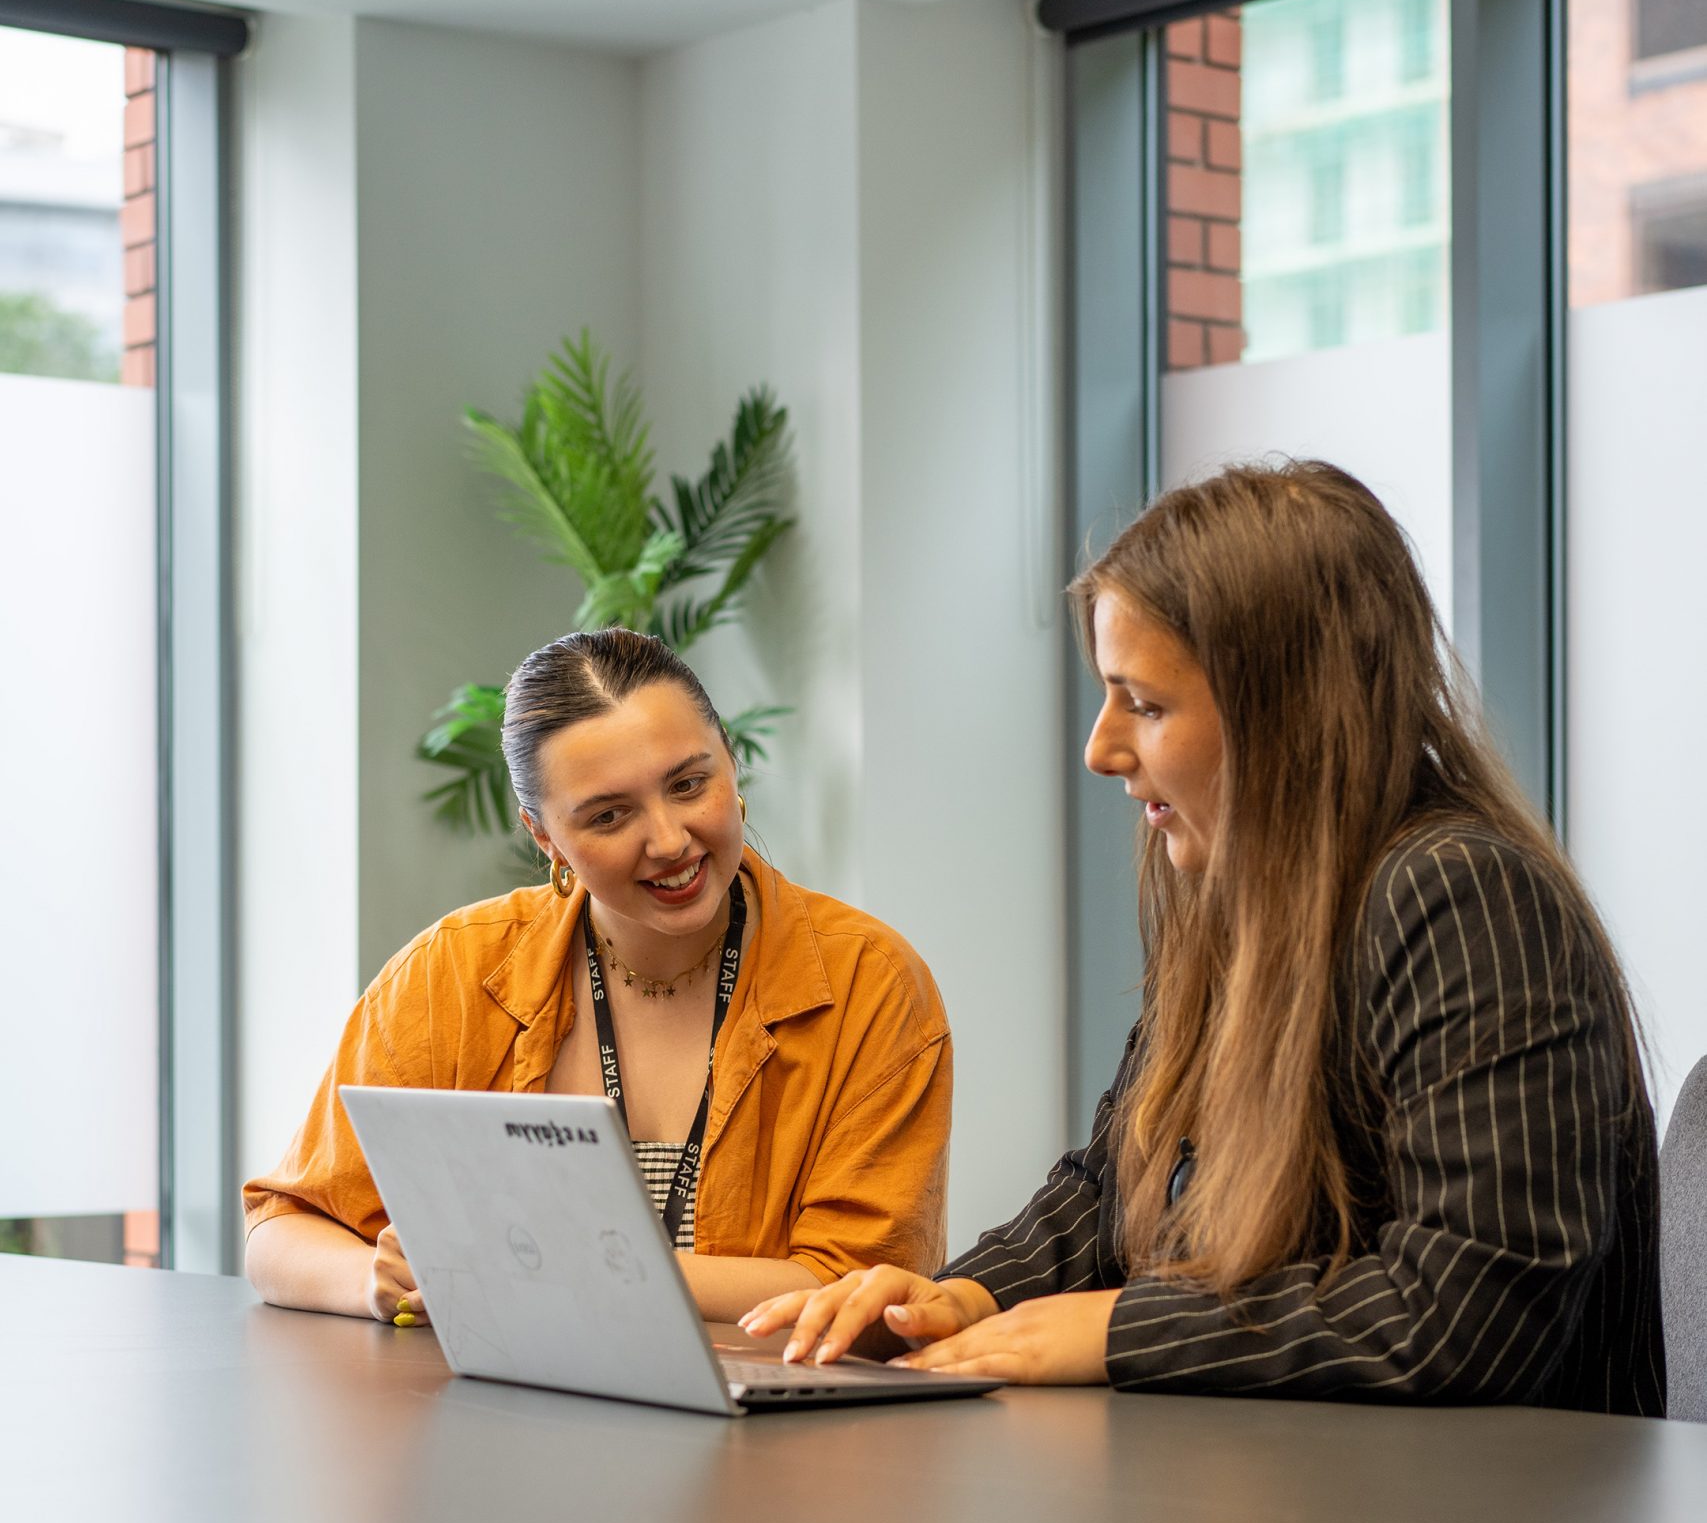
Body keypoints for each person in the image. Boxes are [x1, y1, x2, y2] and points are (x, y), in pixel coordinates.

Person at [745, 460, 1665, 1413]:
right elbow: (1111, 1186)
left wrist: (1113, 1330)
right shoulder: (1237, 897)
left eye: (1143, 705)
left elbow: (1465, 1314)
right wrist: (960, 1300)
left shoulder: (1462, 899)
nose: (1100, 749)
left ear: (1288, 712)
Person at [245, 629, 951, 1327]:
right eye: (609, 815)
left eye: (687, 784)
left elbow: (859, 1286)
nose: (669, 840)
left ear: (731, 768)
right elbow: (283, 1227)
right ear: (544, 836)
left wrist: (554, 1267)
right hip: (496, 1420)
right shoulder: (451, 972)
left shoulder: (869, 981)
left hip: (768, 1427)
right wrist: (374, 1279)